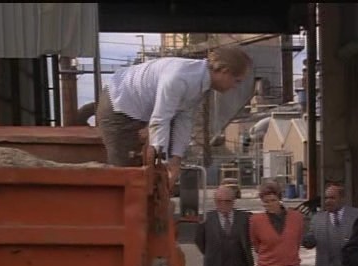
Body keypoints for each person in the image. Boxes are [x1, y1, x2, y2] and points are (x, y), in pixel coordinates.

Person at [96, 46, 252, 182]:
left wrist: (175, 159)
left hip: (137, 109)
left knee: (145, 175)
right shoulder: (180, 77)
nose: (235, 87)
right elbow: (160, 118)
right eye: (237, 81)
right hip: (118, 105)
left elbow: (184, 119)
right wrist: (162, 162)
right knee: (126, 174)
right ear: (224, 71)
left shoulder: (199, 82)